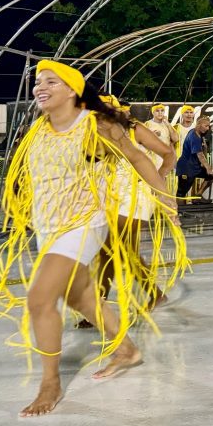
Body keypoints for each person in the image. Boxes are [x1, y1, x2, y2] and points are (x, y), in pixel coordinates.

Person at [0, 60, 182, 417]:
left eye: (50, 81)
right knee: (79, 296)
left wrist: (165, 198)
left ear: (72, 90)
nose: (39, 87)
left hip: (83, 224)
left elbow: (138, 160)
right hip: (47, 225)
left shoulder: (95, 124)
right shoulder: (39, 128)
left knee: (39, 299)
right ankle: (126, 349)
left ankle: (50, 383)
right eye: (37, 83)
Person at [84, 96, 183, 317]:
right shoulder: (93, 133)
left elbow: (168, 154)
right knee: (110, 250)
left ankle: (101, 306)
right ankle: (107, 302)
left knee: (116, 247)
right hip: (109, 196)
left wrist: (156, 180)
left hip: (136, 195)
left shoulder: (134, 129)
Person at [176, 114, 213, 199]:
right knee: (181, 194)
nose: (208, 128)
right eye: (206, 126)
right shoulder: (194, 137)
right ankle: (178, 211)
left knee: (211, 176)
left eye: (208, 126)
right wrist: (208, 167)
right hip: (186, 168)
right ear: (199, 125)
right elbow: (200, 155)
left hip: (194, 167)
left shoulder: (198, 133)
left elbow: (202, 152)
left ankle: (198, 195)